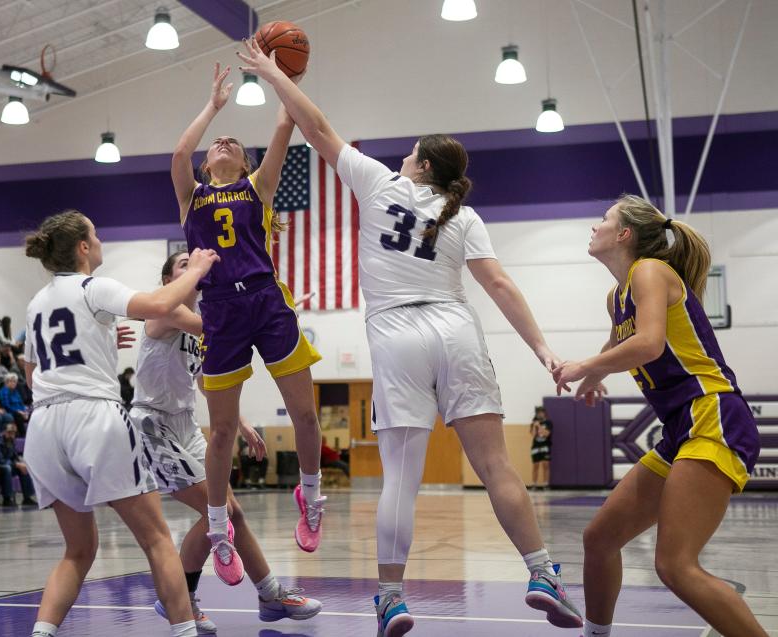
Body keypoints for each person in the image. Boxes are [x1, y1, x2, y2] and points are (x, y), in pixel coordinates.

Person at [239, 41, 582, 635]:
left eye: (412, 153)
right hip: (454, 326)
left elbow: (315, 127)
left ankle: (392, 598)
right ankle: (540, 572)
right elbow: (498, 284)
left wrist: (273, 73)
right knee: (497, 465)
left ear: (422, 167)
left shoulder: (378, 184)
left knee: (401, 477)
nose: (403, 156)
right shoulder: (463, 214)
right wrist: (543, 350)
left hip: (396, 332)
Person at [552, 195, 766, 637]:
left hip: (714, 414)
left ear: (624, 234)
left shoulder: (650, 271)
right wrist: (593, 377)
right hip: (680, 428)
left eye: (604, 220)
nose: (595, 227)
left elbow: (649, 343)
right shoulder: (617, 296)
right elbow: (616, 347)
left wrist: (584, 367)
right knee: (599, 539)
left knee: (674, 565)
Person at [21, 210, 220, 637]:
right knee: (156, 540)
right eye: (96, 233)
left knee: (78, 550)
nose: (100, 238)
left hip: (42, 425)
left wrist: (102, 341)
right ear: (83, 248)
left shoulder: (36, 303)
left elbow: (32, 371)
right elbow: (162, 303)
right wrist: (198, 269)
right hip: (94, 418)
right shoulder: (94, 286)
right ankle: (185, 631)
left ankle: (41, 633)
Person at [172, 63, 326, 582]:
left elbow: (285, 125)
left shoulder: (258, 188)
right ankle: (219, 529)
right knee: (219, 434)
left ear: (245, 161)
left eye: (233, 141)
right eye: (217, 141)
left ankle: (311, 493)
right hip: (219, 310)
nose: (223, 141)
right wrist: (213, 105)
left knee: (306, 416)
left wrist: (286, 80)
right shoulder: (191, 196)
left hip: (266, 301)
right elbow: (177, 155)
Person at [131, 252, 322, 633]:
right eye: (183, 264)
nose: (192, 267)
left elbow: (206, 384)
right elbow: (217, 330)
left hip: (185, 425)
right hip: (152, 424)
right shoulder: (165, 308)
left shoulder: (198, 327)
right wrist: (270, 315)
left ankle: (269, 596)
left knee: (230, 512)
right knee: (213, 511)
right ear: (169, 277)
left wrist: (241, 425)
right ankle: (180, 600)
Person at [0, 422, 36, 507]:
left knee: (24, 467)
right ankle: (7, 498)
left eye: (13, 433)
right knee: (7, 468)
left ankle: (27, 497)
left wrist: (21, 463)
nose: (11, 435)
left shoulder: (11, 441)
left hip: (7, 465)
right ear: (3, 432)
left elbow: (14, 456)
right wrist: (17, 464)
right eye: (9, 433)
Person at [529, 406, 552, 489]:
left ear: (544, 413)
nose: (539, 414)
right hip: (536, 446)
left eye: (541, 412)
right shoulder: (534, 423)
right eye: (538, 413)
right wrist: (535, 426)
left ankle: (546, 484)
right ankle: (534, 484)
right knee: (536, 465)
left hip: (545, 446)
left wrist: (539, 426)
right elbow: (533, 435)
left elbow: (546, 433)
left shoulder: (548, 423)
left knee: (545, 464)